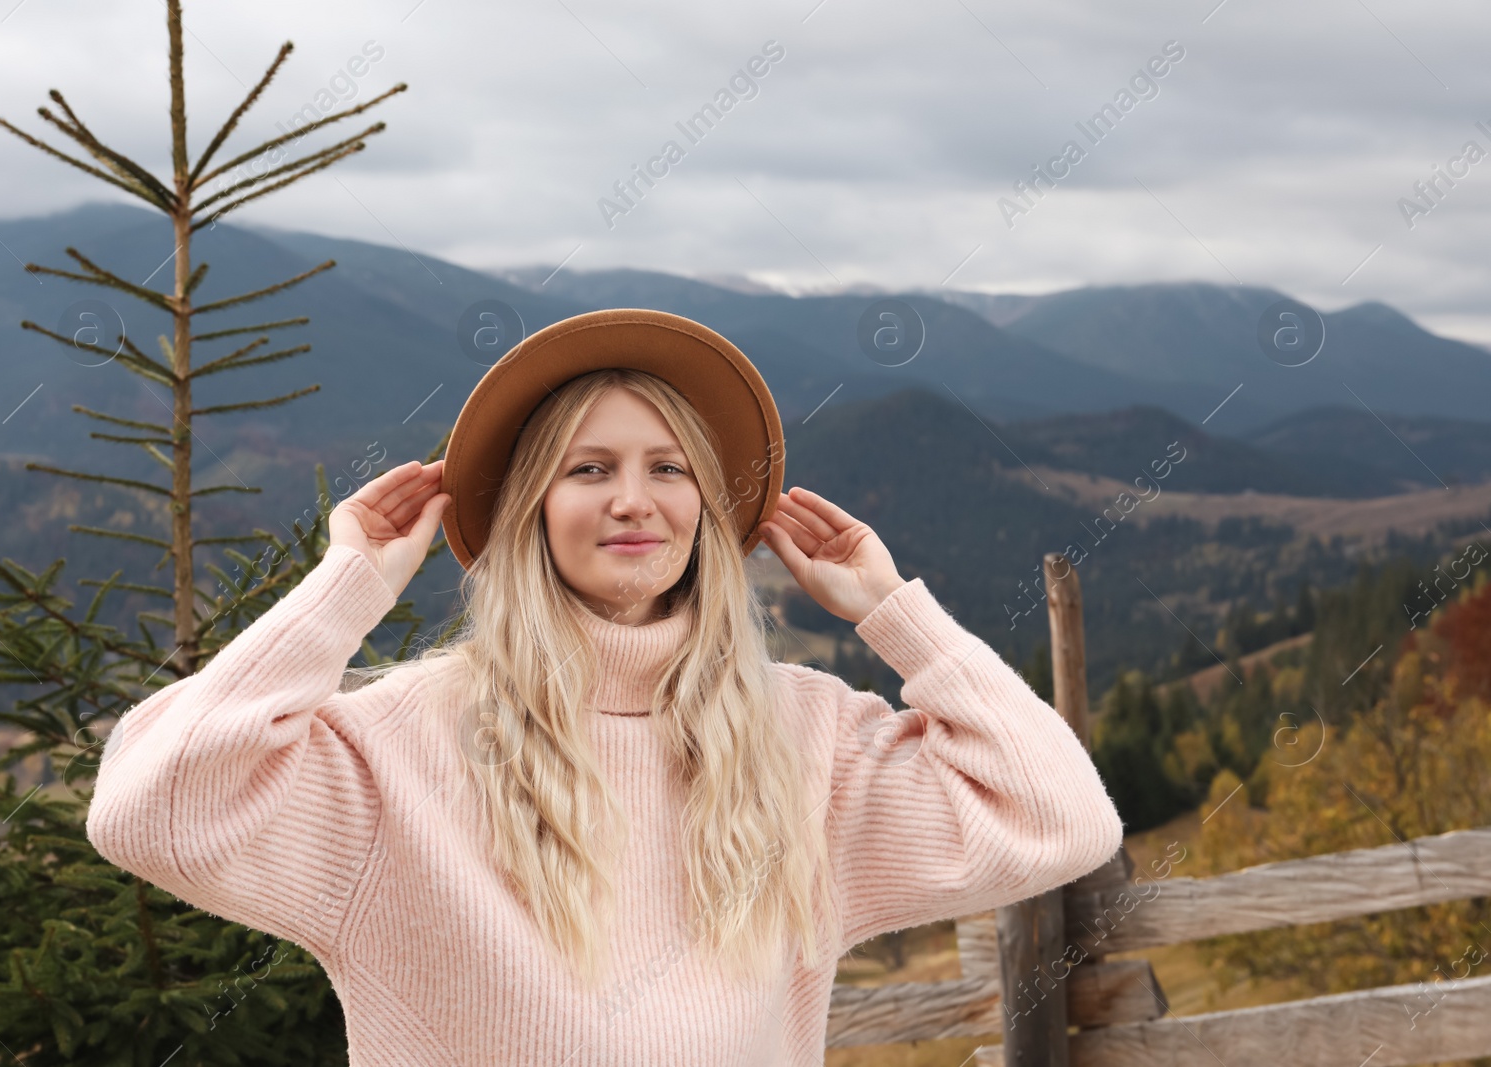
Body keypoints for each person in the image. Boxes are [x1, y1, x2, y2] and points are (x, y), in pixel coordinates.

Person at [86, 308, 1124, 1066]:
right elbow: (155, 807)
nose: (633, 500)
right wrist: (342, 588)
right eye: (588, 470)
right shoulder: (402, 742)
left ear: (709, 513)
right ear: (531, 507)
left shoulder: (807, 738)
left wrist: (894, 610)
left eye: (669, 469)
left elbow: (1059, 815)